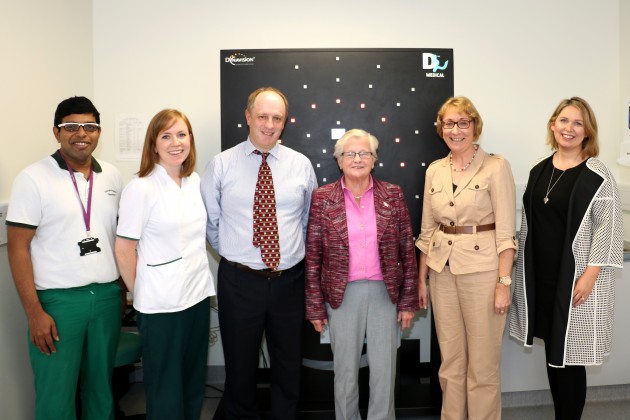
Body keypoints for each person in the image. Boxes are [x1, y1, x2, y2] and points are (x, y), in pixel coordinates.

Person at [201, 86, 318, 419]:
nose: (269, 124)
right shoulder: (221, 165)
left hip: (290, 282)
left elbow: (307, 220)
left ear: (285, 122)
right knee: (239, 366)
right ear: (248, 116)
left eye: (277, 118)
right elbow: (211, 222)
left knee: (288, 363)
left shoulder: (301, 165)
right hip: (239, 281)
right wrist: (235, 255)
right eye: (263, 116)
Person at [6, 96, 124, 420]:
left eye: (89, 126)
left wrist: (122, 291)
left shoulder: (112, 176)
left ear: (99, 132)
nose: (80, 133)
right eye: (71, 126)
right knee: (56, 396)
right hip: (56, 303)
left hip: (106, 299)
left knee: (101, 390)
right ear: (56, 132)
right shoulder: (33, 178)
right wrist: (34, 313)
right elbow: (17, 249)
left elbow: (118, 239)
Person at [510, 97, 623, 419]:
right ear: (552, 124)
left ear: (588, 132)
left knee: (571, 357)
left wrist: (590, 275)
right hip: (542, 279)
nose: (569, 128)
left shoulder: (596, 175)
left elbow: (609, 227)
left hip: (575, 280)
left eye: (577, 123)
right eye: (563, 121)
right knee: (554, 354)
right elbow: (528, 225)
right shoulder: (539, 170)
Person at [305, 129, 419, 420]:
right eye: (350, 154)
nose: (357, 159)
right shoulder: (322, 198)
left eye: (364, 153)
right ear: (339, 160)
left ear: (374, 159)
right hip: (342, 295)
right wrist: (315, 306)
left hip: (384, 293)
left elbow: (407, 249)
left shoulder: (392, 194)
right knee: (344, 371)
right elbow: (314, 255)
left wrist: (407, 303)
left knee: (384, 370)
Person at [416, 96, 517, 420]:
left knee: (483, 365)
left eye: (463, 122)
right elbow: (427, 231)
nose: (455, 130)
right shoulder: (435, 170)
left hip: (483, 272)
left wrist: (504, 282)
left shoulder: (496, 166)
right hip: (442, 273)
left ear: (475, 126)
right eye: (449, 123)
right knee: (451, 364)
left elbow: (505, 234)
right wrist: (421, 280)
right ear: (441, 128)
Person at [115, 109, 216, 419]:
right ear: (154, 144)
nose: (176, 143)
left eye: (182, 134)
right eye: (167, 136)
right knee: (165, 387)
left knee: (192, 380)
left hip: (197, 297)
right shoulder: (141, 188)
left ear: (191, 140)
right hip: (160, 306)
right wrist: (142, 293)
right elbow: (124, 248)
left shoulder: (194, 181)